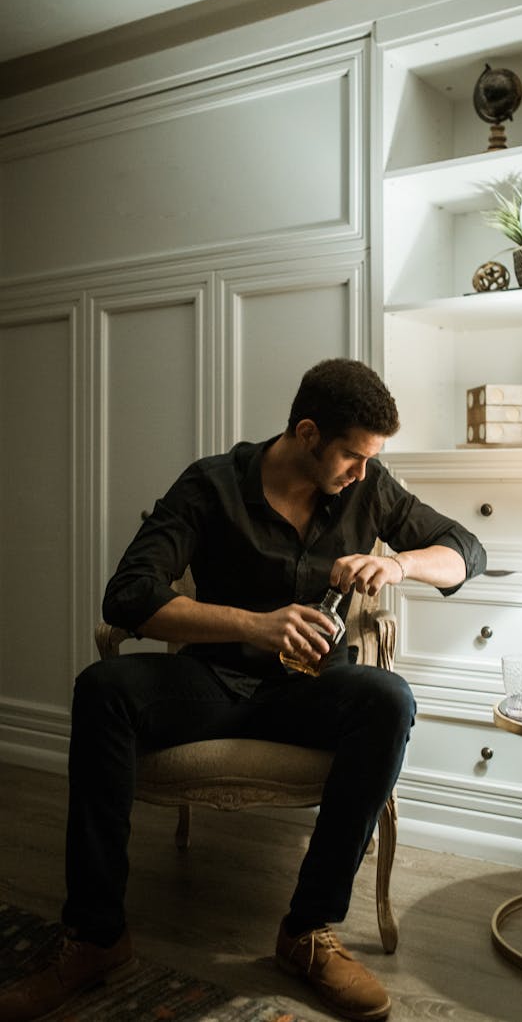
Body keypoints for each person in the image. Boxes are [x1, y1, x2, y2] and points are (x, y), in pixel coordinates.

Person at [0, 358, 486, 1022]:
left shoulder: (367, 489)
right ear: (309, 433)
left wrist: (399, 562)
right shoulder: (210, 484)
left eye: (371, 459)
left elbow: (465, 549)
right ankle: (97, 937)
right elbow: (129, 595)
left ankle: (307, 933)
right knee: (102, 688)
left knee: (388, 697)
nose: (361, 471)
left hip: (312, 694)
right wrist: (256, 625)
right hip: (211, 682)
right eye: (352, 455)